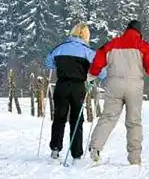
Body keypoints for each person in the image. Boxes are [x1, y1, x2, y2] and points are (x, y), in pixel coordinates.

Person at [86, 20, 149, 165]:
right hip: (134, 86)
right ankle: (134, 158)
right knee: (134, 122)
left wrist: (92, 74)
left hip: (114, 84)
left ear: (127, 30)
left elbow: (98, 58)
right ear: (139, 32)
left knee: (108, 117)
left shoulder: (112, 44)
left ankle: (95, 147)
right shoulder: (143, 45)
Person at [45, 23, 107, 160]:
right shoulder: (88, 51)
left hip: (61, 85)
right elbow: (101, 71)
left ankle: (55, 148)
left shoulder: (60, 48)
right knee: (77, 119)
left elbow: (48, 63)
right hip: (78, 87)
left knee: (59, 118)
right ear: (86, 35)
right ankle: (76, 152)